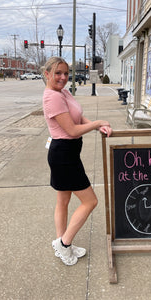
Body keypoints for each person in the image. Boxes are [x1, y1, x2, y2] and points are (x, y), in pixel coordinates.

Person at [42, 57, 112, 266]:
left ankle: (62, 243)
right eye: (58, 73)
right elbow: (71, 130)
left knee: (63, 201)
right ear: (46, 74)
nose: (63, 78)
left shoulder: (63, 92)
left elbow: (78, 118)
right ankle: (64, 244)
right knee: (90, 201)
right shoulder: (52, 97)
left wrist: (95, 125)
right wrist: (98, 122)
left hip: (68, 153)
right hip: (64, 155)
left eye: (66, 73)